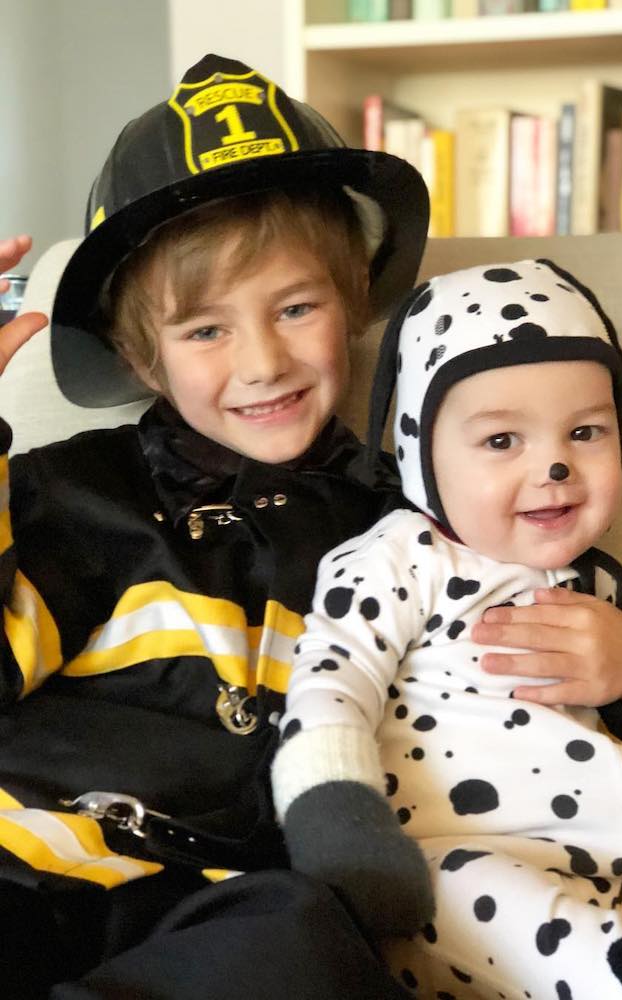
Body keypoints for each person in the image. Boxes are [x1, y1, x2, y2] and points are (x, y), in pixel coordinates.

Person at [0, 52, 434, 999]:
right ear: (140, 357)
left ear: (354, 304)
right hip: (20, 859)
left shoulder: (404, 527)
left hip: (205, 906)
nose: (264, 360)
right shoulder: (71, 491)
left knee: (311, 942)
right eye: (205, 329)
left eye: (296, 307)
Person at [272, 258, 622, 1000]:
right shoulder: (397, 560)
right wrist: (338, 824)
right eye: (500, 442)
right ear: (421, 451)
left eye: (585, 432)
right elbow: (333, 682)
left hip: (616, 880)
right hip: (451, 882)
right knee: (472, 892)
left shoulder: (593, 587)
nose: (554, 464)